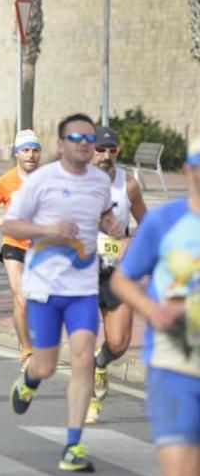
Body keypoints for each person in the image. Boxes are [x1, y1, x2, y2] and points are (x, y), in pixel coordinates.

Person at [4, 113, 125, 473]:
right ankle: (28, 382)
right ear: (61, 144)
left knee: (84, 359)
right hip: (44, 287)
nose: (86, 144)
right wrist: (47, 228)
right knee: (45, 365)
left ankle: (73, 444)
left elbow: (102, 214)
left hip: (82, 289)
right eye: (77, 137)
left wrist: (112, 226)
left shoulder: (100, 183)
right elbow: (11, 224)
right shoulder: (41, 180)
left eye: (90, 138)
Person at [110, 137, 200, 476]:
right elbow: (122, 280)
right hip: (174, 359)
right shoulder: (165, 221)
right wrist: (151, 310)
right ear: (190, 171)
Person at [85, 125, 147, 424]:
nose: (105, 155)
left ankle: (101, 363)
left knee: (119, 342)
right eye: (100, 149)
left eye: (112, 150)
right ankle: (89, 401)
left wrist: (130, 243)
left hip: (115, 271)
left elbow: (146, 224)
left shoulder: (129, 185)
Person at [0, 130, 43, 365]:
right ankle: (27, 350)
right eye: (26, 150)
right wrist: (3, 223)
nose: (31, 155)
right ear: (17, 153)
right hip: (14, 244)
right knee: (21, 297)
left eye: (35, 150)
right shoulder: (5, 182)